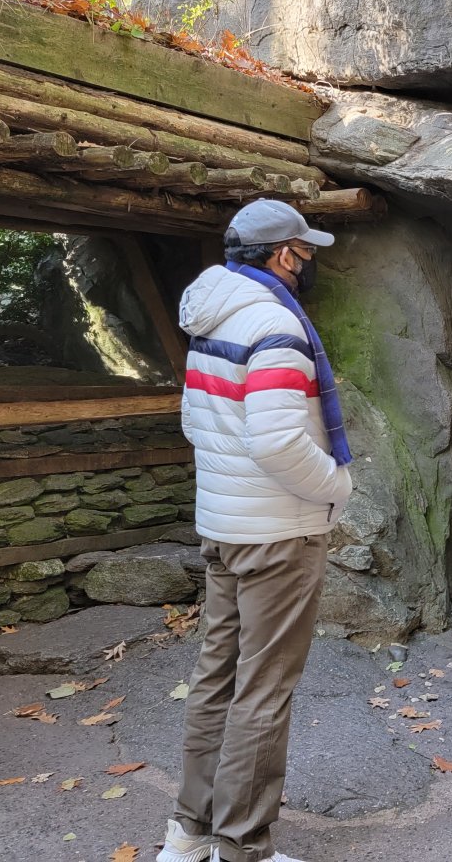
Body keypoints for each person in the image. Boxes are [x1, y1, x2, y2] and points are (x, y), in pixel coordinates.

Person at [158, 199, 353, 862]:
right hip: (278, 531)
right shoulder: (275, 324)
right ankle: (243, 848)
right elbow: (277, 441)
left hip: (224, 525)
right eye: (305, 252)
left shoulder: (210, 316)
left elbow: (194, 421)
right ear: (281, 255)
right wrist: (337, 483)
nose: (309, 264)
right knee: (263, 691)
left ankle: (190, 833)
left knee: (217, 677)